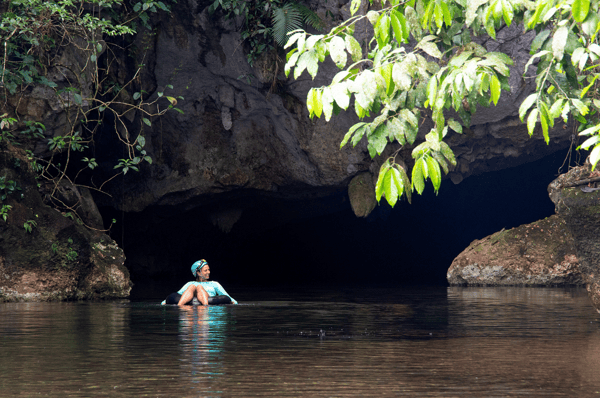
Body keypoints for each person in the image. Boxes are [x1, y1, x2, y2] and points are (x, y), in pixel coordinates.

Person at [161, 259, 238, 305]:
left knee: (199, 287)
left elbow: (225, 295)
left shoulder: (214, 284)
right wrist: (165, 302)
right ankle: (180, 307)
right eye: (205, 270)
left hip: (208, 299)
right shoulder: (190, 283)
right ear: (198, 273)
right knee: (192, 286)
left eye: (209, 270)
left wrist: (234, 301)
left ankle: (205, 307)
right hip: (192, 305)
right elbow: (177, 294)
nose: (208, 272)